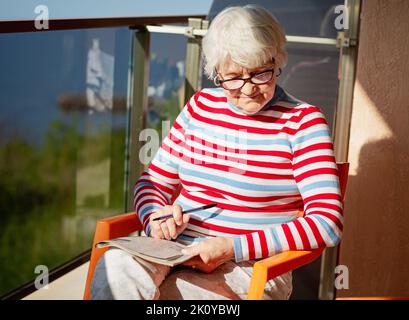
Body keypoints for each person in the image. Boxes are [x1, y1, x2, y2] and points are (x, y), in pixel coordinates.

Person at [90, 4, 343, 300]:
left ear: (277, 60)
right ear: (216, 71)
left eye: (261, 73)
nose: (248, 89)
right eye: (234, 77)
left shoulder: (302, 122)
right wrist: (155, 218)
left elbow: (327, 221)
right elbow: (153, 183)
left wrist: (232, 247)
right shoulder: (200, 107)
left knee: (175, 297)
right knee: (115, 267)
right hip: (174, 250)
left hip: (248, 267)